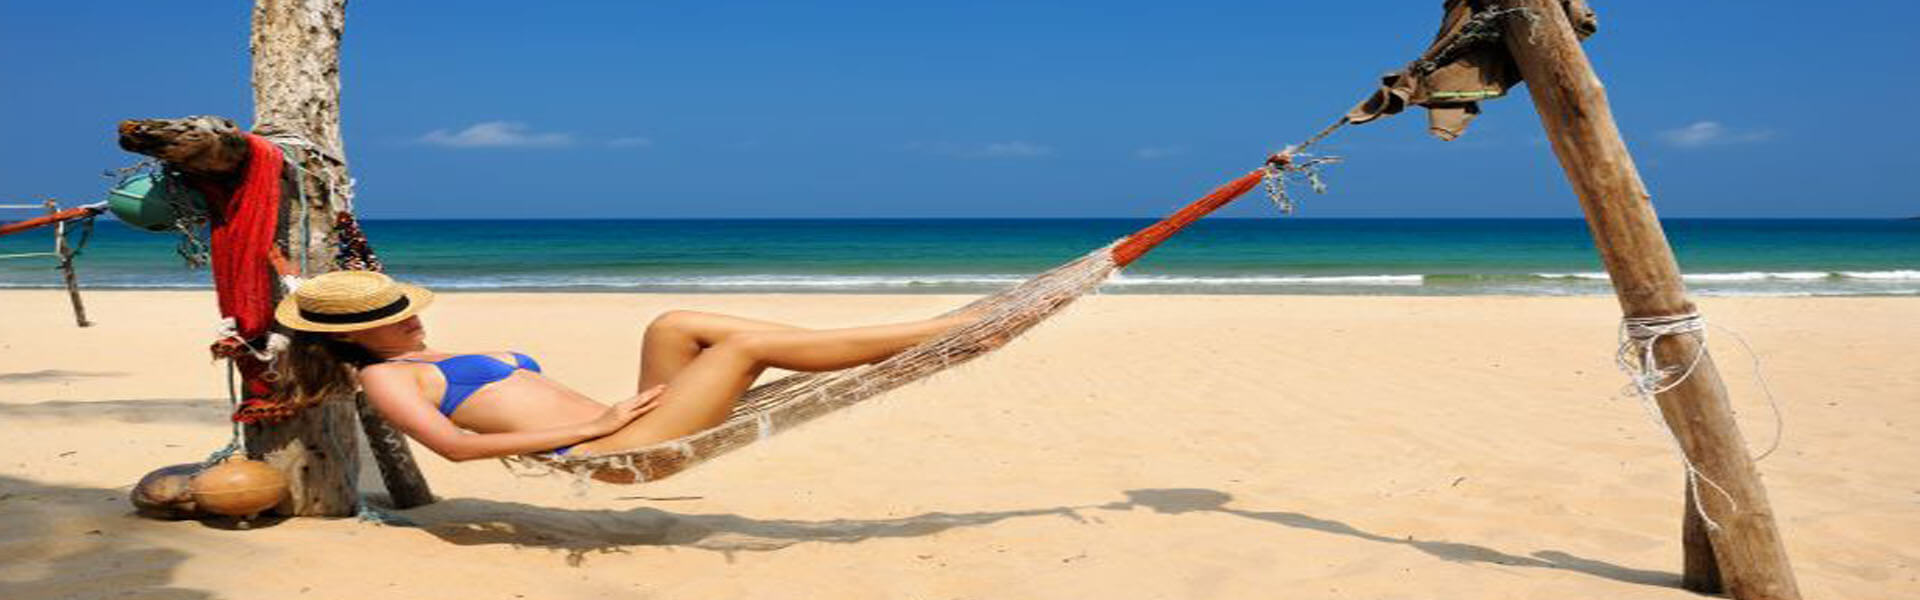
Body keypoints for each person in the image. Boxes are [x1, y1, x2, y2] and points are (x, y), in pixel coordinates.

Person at [272, 270, 978, 462]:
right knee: (740, 350)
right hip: (620, 447)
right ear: (358, 338)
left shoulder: (415, 351)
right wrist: (598, 426)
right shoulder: (385, 376)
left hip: (636, 418)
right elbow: (455, 449)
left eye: (400, 307)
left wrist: (293, 279)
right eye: (389, 317)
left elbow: (314, 298)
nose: (408, 316)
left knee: (673, 323)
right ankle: (940, 330)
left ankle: (890, 335)